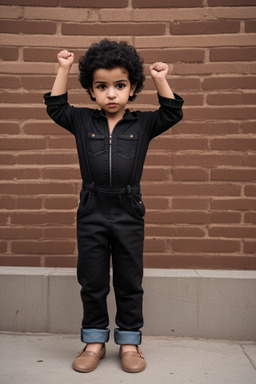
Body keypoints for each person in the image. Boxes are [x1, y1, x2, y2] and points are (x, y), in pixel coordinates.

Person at [44, 39, 183, 373]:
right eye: (101, 86)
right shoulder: (81, 122)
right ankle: (93, 340)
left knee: (128, 279)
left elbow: (172, 112)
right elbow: (56, 107)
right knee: (92, 279)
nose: (110, 94)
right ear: (91, 91)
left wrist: (161, 78)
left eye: (119, 86)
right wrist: (63, 68)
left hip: (128, 208)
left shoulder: (143, 124)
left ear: (132, 87)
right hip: (91, 207)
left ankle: (130, 342)